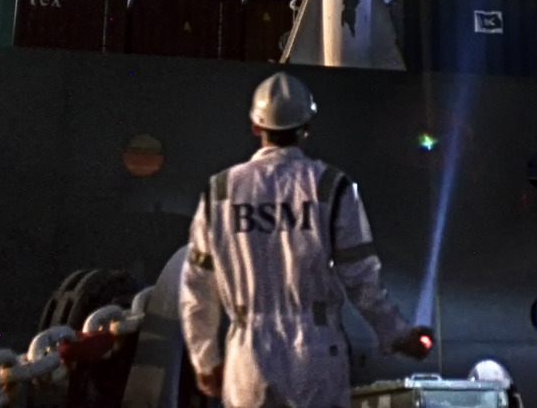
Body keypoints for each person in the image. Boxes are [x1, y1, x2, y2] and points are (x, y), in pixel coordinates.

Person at [181, 72, 433, 408]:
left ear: (256, 128)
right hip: (314, 353)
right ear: (307, 128)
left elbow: (197, 286)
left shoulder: (221, 192)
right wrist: (398, 335)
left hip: (247, 356)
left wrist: (205, 359)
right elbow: (361, 279)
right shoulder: (331, 187)